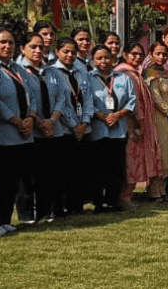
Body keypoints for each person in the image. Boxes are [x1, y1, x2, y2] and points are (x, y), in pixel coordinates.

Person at [0, 27, 33, 236]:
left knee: (12, 182)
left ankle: (5, 219)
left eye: (11, 42)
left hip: (20, 135)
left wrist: (30, 117)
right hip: (1, 133)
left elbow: (31, 95)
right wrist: (16, 120)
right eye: (2, 42)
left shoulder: (18, 69)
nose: (7, 46)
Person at [16, 32, 64, 223]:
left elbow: (62, 98)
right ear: (23, 49)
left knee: (50, 174)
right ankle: (27, 215)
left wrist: (51, 121)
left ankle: (46, 211)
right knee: (29, 177)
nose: (38, 51)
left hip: (53, 130)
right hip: (31, 131)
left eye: (41, 47)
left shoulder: (52, 71)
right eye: (33, 47)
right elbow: (28, 100)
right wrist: (39, 121)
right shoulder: (19, 71)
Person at [87, 44, 135, 212]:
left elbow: (132, 100)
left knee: (116, 168)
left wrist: (117, 115)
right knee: (99, 168)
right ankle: (98, 203)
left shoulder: (123, 78)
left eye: (107, 57)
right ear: (92, 60)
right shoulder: (88, 78)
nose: (103, 61)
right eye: (99, 58)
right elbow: (86, 103)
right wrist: (103, 116)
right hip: (98, 130)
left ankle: (113, 201)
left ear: (113, 59)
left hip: (119, 129)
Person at [116, 42, 161, 209]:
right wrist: (138, 123)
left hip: (139, 124)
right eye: (133, 54)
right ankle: (124, 197)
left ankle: (128, 196)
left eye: (140, 55)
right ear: (125, 55)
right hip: (130, 124)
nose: (137, 57)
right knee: (131, 161)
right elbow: (131, 101)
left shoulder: (136, 74)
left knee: (135, 160)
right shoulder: (123, 74)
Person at [51, 38, 92, 215]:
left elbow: (88, 98)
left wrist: (85, 122)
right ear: (57, 51)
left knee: (80, 170)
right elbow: (61, 101)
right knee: (63, 171)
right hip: (64, 128)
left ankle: (77, 205)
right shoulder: (52, 72)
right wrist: (75, 125)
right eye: (66, 51)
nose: (70, 55)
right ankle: (61, 207)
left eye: (73, 52)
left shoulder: (81, 72)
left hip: (83, 128)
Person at [144, 41, 168, 202]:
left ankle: (163, 189)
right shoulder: (149, 72)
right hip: (159, 117)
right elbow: (155, 96)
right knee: (159, 152)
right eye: (158, 53)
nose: (161, 57)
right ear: (151, 54)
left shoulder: (167, 73)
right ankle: (153, 190)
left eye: (164, 54)